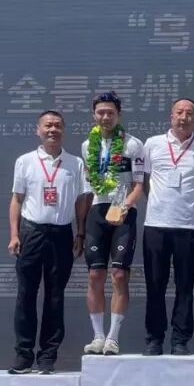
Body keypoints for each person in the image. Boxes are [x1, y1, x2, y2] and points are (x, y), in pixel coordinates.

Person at [7, 110, 91, 374]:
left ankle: (47, 357)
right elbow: (17, 199)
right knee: (26, 295)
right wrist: (14, 234)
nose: (52, 130)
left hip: (62, 234)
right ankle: (23, 356)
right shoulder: (25, 161)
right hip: (31, 233)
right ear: (38, 130)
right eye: (47, 125)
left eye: (57, 126)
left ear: (63, 130)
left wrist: (80, 234)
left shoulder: (75, 163)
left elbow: (82, 201)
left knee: (55, 297)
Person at [141, 98, 194, 355]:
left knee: (185, 286)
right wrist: (159, 200)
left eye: (189, 113)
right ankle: (154, 339)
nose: (183, 117)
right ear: (171, 116)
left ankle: (180, 340)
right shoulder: (152, 144)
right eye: (179, 112)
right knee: (155, 284)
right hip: (156, 224)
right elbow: (143, 181)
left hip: (189, 225)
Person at [80, 92, 145, 357]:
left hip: (124, 211)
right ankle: (97, 336)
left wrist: (125, 206)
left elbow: (139, 185)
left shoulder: (133, 144)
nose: (105, 117)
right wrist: (80, 229)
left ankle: (113, 337)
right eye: (101, 112)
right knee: (95, 275)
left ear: (119, 115)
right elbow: (88, 186)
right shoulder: (87, 145)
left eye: (110, 112)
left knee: (119, 274)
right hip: (97, 211)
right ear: (94, 115)